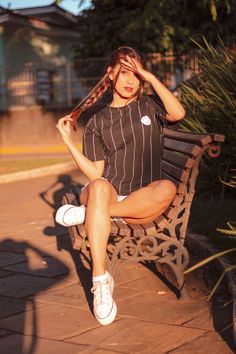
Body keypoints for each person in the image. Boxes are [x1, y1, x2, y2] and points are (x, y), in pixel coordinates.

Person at [55, 46, 185, 326]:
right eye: (125, 72)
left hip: (141, 202)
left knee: (167, 189)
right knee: (100, 186)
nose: (131, 81)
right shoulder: (97, 121)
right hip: (108, 190)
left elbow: (178, 113)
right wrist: (67, 141)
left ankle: (94, 212)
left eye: (136, 75)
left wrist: (149, 75)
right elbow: (95, 172)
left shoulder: (149, 104)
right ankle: (101, 281)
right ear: (110, 74)